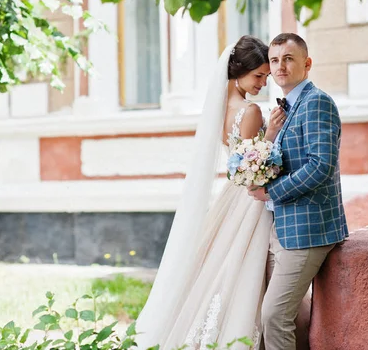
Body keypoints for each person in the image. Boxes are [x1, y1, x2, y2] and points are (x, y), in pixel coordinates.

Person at [135, 35, 285, 349]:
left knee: (219, 265)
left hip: (229, 194)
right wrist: (271, 131)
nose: (262, 83)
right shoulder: (251, 111)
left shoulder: (218, 108)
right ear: (238, 71)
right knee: (242, 268)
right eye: (258, 76)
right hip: (248, 198)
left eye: (265, 77)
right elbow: (251, 164)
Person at [249, 33, 349, 350]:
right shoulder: (287, 107)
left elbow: (320, 166)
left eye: (288, 59)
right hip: (283, 226)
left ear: (306, 64)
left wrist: (272, 191)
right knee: (287, 315)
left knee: (274, 315)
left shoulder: (316, 102)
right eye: (275, 60)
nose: (280, 66)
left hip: (309, 230)